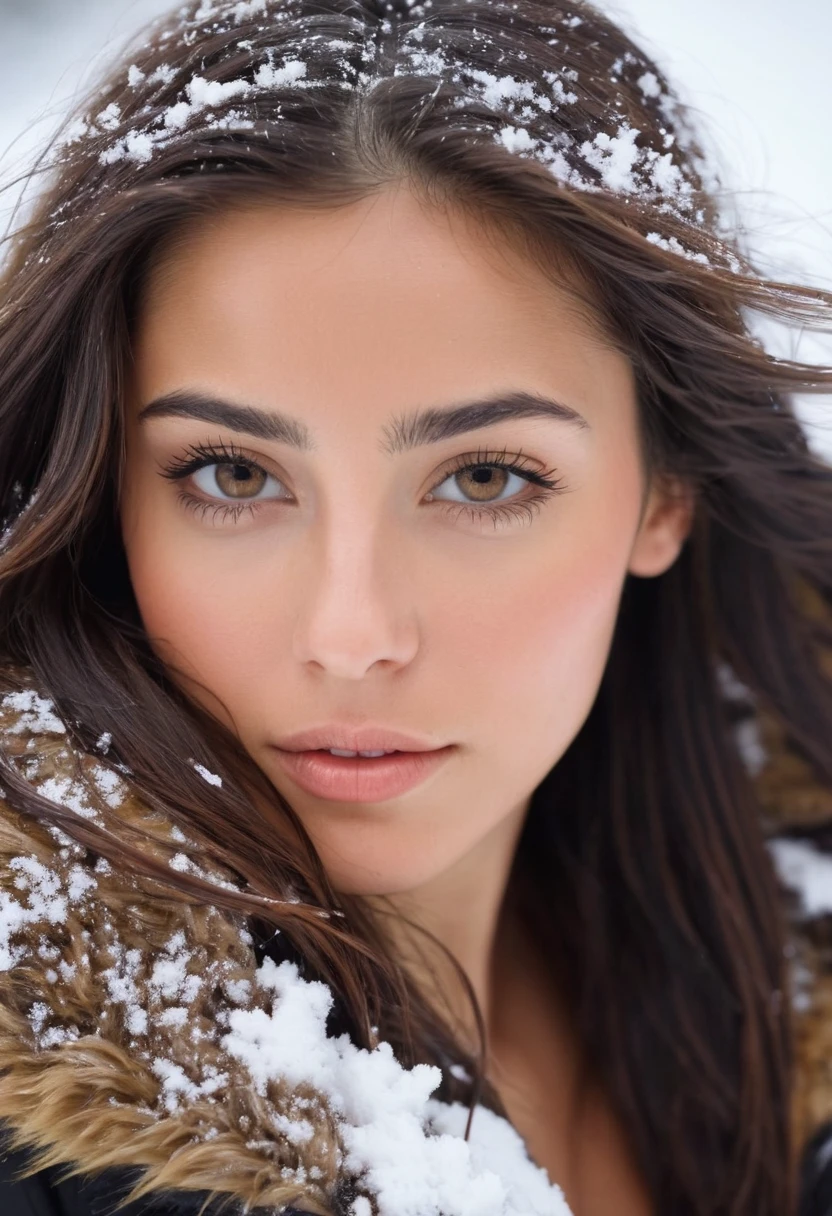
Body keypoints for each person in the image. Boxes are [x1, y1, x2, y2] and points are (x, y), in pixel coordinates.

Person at [0, 0, 831, 1212]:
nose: (351, 633)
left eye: (483, 478)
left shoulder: (779, 957)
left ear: (666, 493)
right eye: (233, 475)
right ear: (104, 496)